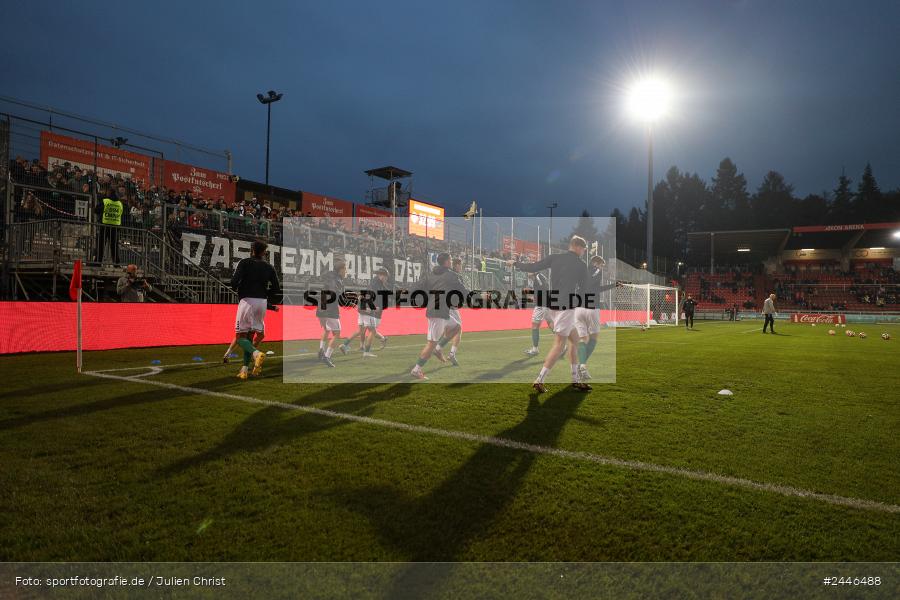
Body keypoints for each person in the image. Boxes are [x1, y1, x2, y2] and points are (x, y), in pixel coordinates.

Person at [511, 236, 591, 393]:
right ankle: (539, 380)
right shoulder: (581, 265)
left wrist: (515, 263)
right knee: (559, 344)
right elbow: (584, 289)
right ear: (577, 246)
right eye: (583, 249)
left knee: (575, 340)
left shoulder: (555, 258)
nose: (583, 252)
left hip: (552, 304)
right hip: (566, 306)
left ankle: (575, 380)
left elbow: (534, 266)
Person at [410, 252, 468, 380]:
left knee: (457, 326)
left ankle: (438, 348)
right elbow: (462, 290)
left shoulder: (431, 275)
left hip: (439, 311)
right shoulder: (451, 275)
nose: (451, 262)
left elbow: (417, 287)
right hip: (438, 312)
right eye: (450, 260)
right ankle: (416, 369)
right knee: (431, 343)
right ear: (446, 262)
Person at [229, 240, 281, 379]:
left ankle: (256, 354)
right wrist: (264, 294)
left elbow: (234, 282)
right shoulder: (269, 267)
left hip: (247, 301)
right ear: (264, 252)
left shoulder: (244, 263)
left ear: (252, 250)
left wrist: (239, 288)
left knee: (240, 337)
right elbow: (276, 288)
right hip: (262, 303)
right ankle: (244, 370)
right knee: (250, 336)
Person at [575, 256, 617, 381]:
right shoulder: (596, 270)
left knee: (583, 338)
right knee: (593, 338)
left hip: (578, 308)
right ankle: (582, 366)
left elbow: (593, 287)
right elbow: (592, 286)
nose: (602, 268)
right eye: (601, 265)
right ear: (595, 263)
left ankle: (581, 367)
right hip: (591, 308)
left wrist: (613, 285)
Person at [341, 266, 390, 357]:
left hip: (362, 308)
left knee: (360, 330)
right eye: (385, 276)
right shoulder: (377, 285)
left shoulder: (374, 282)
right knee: (373, 331)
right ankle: (367, 352)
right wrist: (372, 307)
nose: (385, 278)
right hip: (368, 309)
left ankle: (345, 344)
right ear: (382, 275)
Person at [316, 259, 347, 367]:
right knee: (337, 333)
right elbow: (335, 293)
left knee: (326, 329)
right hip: (330, 309)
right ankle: (327, 356)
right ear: (340, 270)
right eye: (345, 269)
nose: (346, 271)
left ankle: (321, 350)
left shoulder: (330, 276)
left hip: (321, 307)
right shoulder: (337, 280)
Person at [524, 271, 554, 357]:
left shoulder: (538, 277)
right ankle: (562, 345)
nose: (528, 273)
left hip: (542, 304)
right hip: (546, 304)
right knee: (551, 324)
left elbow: (544, 288)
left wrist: (537, 296)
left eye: (529, 271)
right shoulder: (540, 277)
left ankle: (535, 349)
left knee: (535, 325)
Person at [96, 190, 123, 264]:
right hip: (115, 227)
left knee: (101, 245)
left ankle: (98, 262)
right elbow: (121, 213)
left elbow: (96, 210)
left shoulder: (105, 201)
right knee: (114, 246)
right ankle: (116, 263)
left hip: (105, 226)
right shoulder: (120, 203)